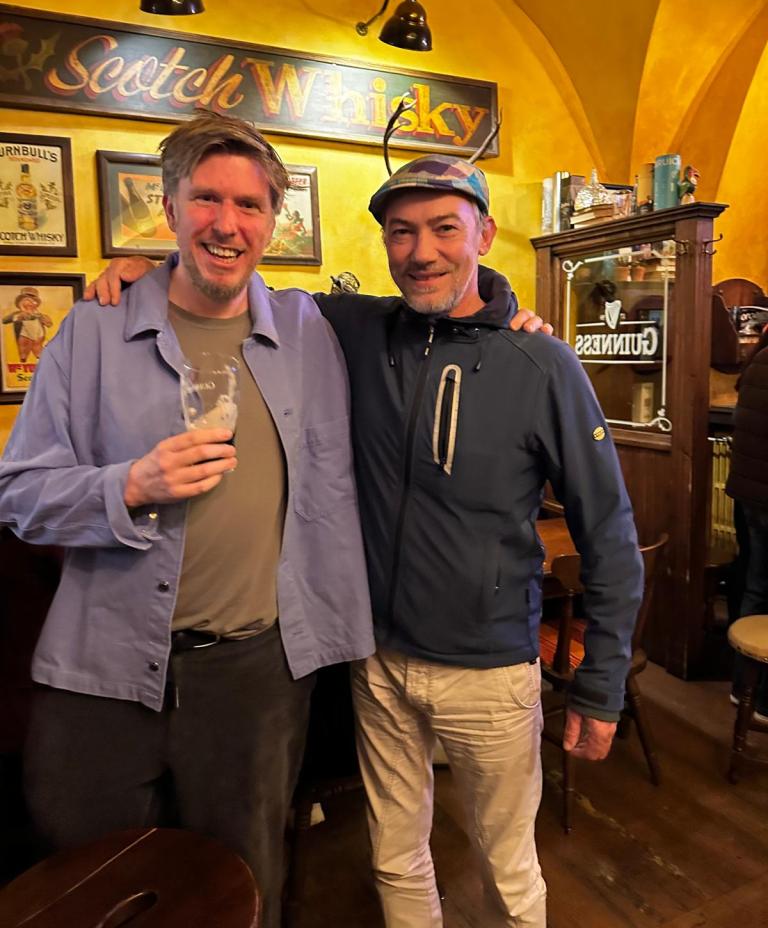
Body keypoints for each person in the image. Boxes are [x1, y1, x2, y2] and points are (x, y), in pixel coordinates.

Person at [90, 150, 643, 928]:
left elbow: (608, 531)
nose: (421, 252)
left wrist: (603, 681)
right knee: (394, 856)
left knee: (508, 869)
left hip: (489, 672)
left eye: (444, 228)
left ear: (484, 234)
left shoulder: (541, 362)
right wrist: (148, 270)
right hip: (376, 659)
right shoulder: (353, 328)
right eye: (401, 232)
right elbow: (232, 275)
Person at [0, 113, 376, 928]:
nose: (226, 223)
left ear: (273, 221)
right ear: (168, 208)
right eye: (206, 198)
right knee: (85, 885)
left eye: (249, 204)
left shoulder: (311, 328)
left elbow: (435, 297)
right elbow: (20, 494)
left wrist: (508, 307)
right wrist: (129, 485)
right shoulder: (92, 329)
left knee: (241, 884)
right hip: (101, 667)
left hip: (255, 674)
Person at [726, 326, 768, 722]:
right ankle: (763, 699)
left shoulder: (757, 362)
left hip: (749, 495)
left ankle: (743, 687)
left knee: (756, 586)